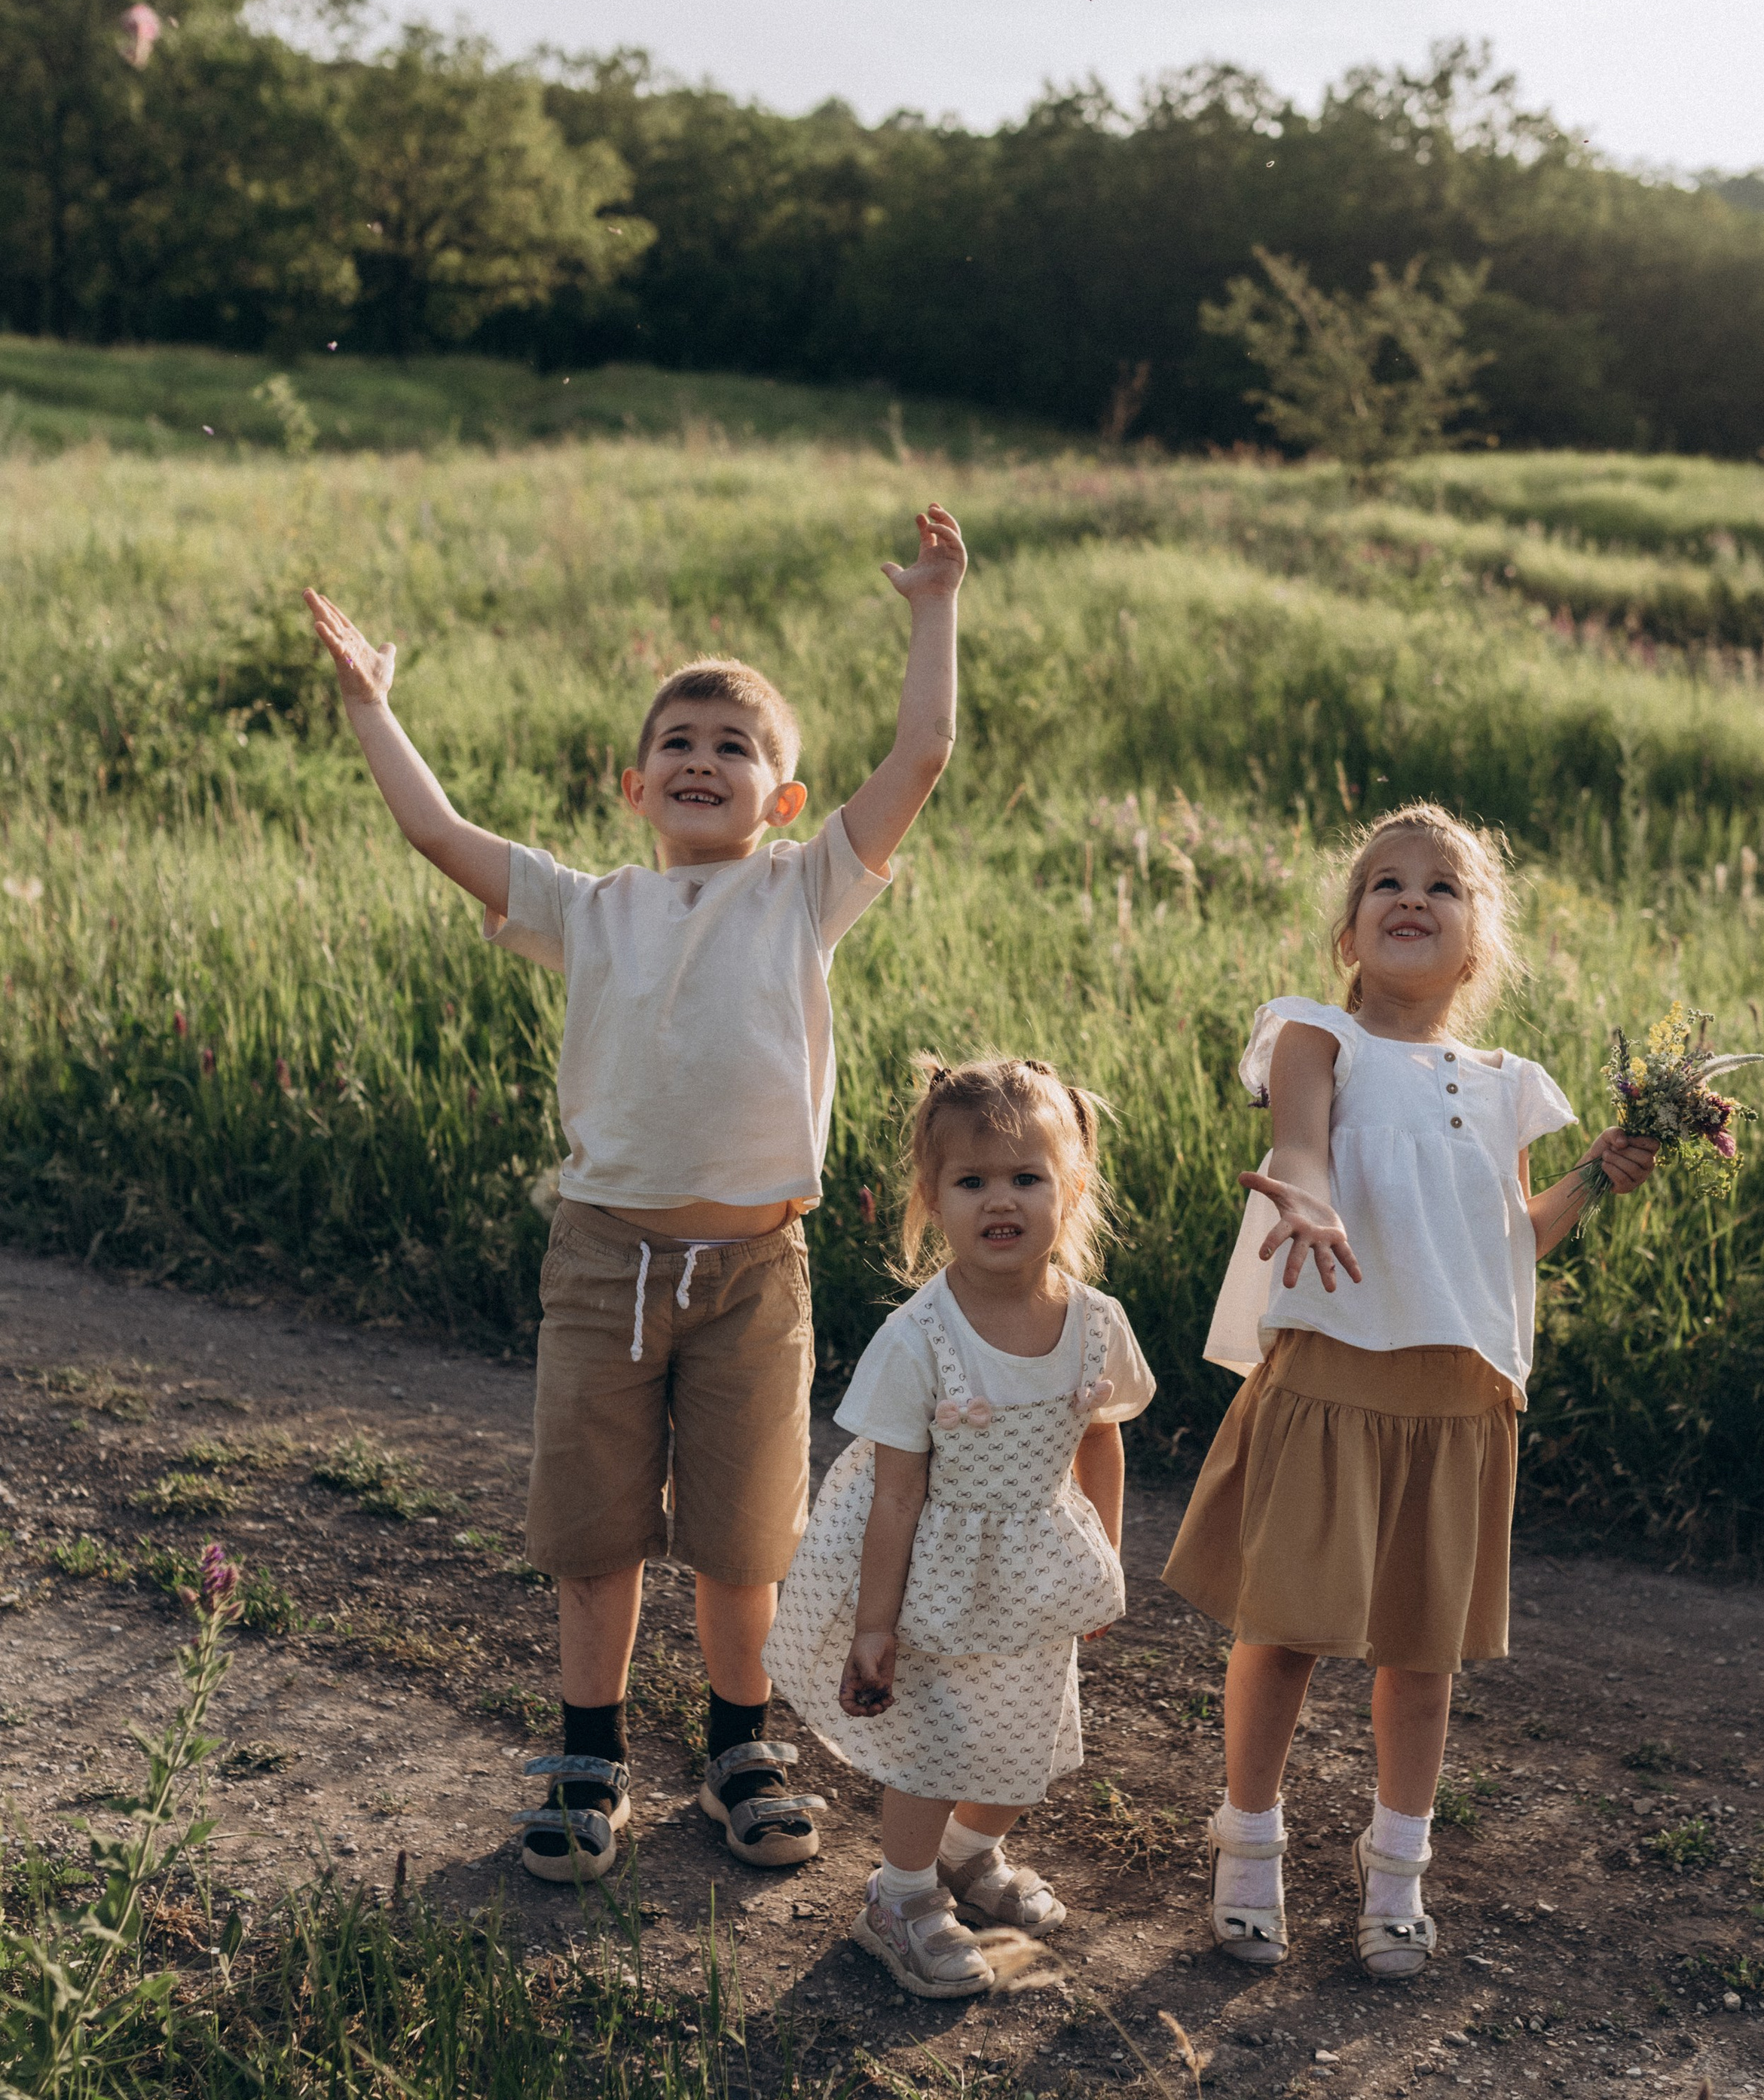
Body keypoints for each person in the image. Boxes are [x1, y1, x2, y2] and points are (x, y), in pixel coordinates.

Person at [301, 503, 966, 1883]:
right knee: (597, 1527)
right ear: (634, 785)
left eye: (736, 747)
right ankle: (587, 1751)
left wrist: (932, 609)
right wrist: (371, 703)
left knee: (740, 1540)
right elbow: (437, 830)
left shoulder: (803, 894)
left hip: (753, 1276)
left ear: (782, 798)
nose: (704, 758)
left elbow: (922, 753)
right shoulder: (584, 906)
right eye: (679, 742)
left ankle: (738, 1746)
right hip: (604, 1261)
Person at [1163, 803, 1658, 1980]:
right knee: (1283, 1632)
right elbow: (1299, 1150)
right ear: (1349, 933)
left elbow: (1510, 1240)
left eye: (1442, 886)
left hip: (1462, 1397)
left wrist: (1594, 1173)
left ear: (1478, 944)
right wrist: (1306, 1196)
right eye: (1385, 881)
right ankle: (1248, 1847)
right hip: (1333, 1371)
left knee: (1419, 1658)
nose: (1410, 897)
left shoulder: (1506, 1084)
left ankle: (1397, 1877)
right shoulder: (1314, 1039)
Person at [763, 1056, 1154, 1998]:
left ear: (1073, 1187)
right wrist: (874, 1625)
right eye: (971, 1181)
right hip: (926, 1569)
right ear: (931, 1198)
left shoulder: (1096, 1324)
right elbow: (894, 1495)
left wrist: (1097, 1558)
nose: (1000, 1200)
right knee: (934, 1747)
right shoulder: (919, 1338)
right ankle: (898, 1898)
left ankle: (966, 1857)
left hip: (1030, 1569)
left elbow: (1099, 1443)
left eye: (1026, 1177)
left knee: (1026, 1747)